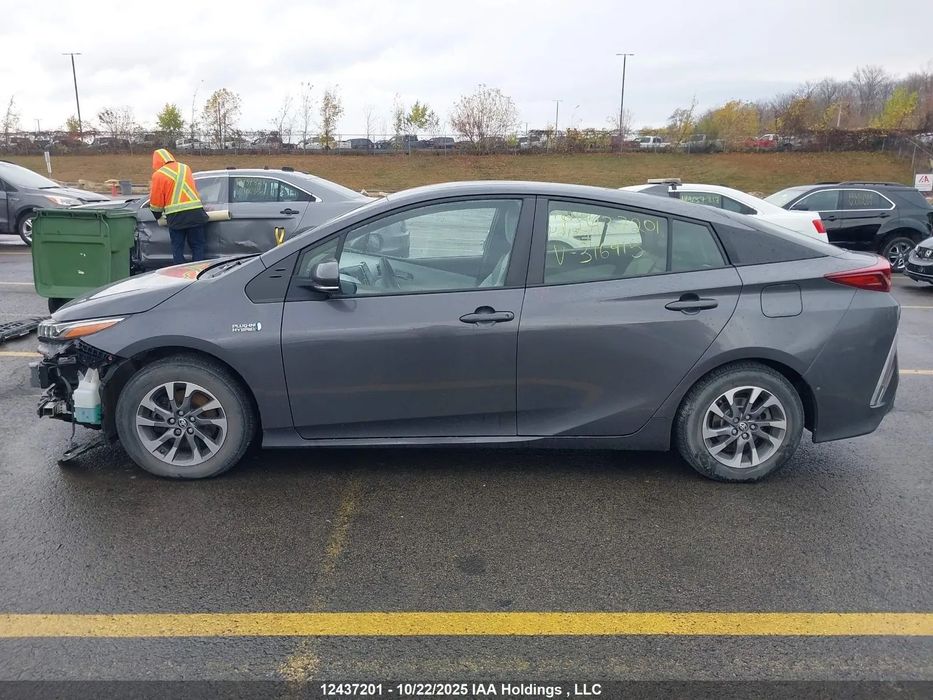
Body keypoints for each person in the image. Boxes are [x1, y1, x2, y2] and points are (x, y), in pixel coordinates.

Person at [149, 148, 210, 264]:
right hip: (196, 213)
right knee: (198, 246)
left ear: (156, 162)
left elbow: (156, 201)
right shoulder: (185, 168)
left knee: (177, 248)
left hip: (176, 217)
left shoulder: (158, 175)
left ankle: (180, 275)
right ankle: (198, 273)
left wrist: (157, 215)